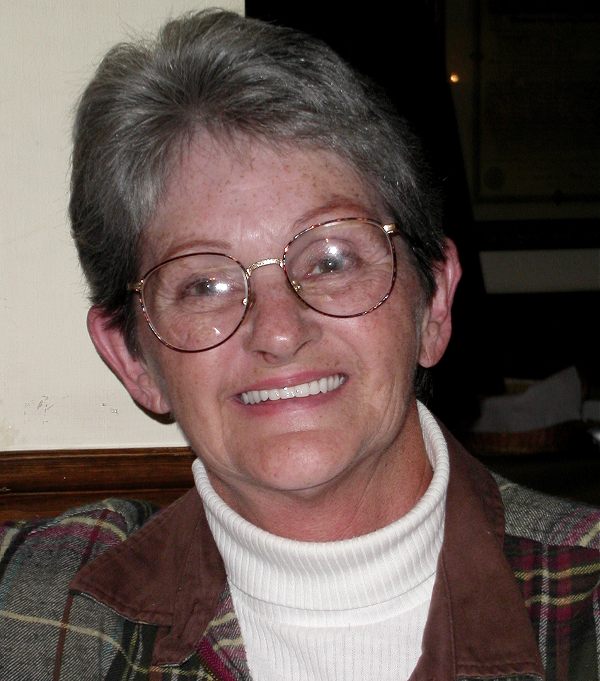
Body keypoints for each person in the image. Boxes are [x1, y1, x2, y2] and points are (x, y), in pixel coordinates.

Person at [1, 9, 599, 681]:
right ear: (133, 359)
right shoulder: (27, 609)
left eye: (332, 259)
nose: (280, 332)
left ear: (433, 302)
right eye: (203, 285)